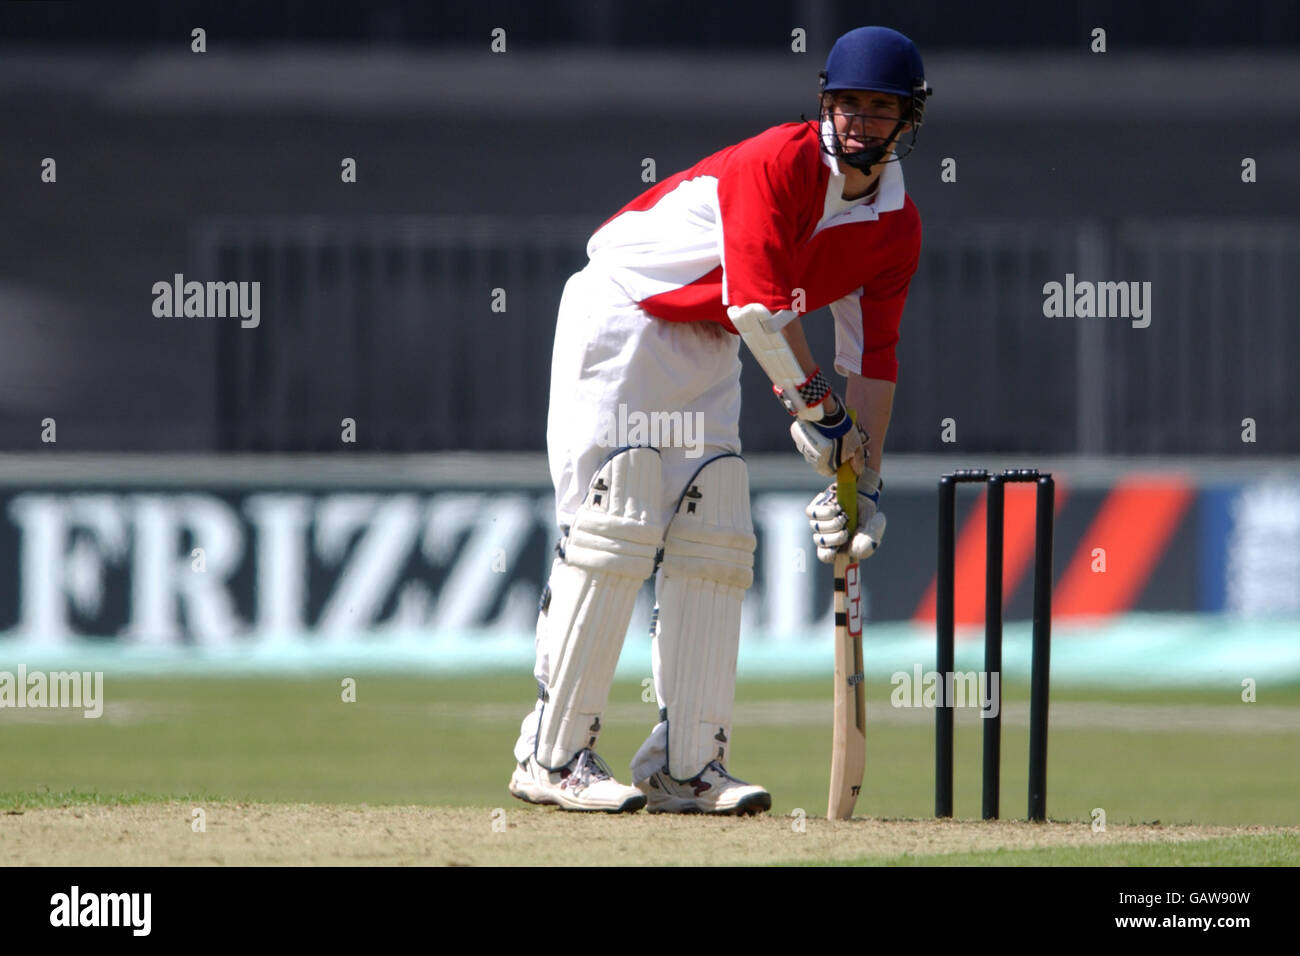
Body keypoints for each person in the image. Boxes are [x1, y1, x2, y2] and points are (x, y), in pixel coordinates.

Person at [509, 26, 931, 814]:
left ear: (909, 121)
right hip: (627, 315)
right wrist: (821, 416)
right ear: (824, 104)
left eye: (881, 109)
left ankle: (687, 764)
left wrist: (862, 486)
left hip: (712, 343)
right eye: (848, 105)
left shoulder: (895, 226)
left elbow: (872, 362)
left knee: (717, 530)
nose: (860, 124)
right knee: (616, 522)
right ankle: (553, 754)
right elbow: (759, 308)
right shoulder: (778, 162)